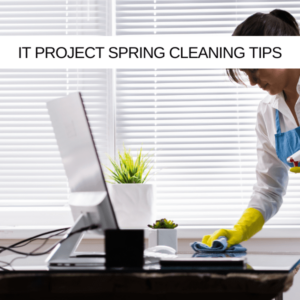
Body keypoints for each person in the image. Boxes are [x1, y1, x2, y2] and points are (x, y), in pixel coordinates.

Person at [202, 9, 300, 248]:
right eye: (247, 74)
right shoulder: (268, 111)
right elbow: (269, 189)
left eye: (254, 70)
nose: (253, 82)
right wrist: (241, 229)